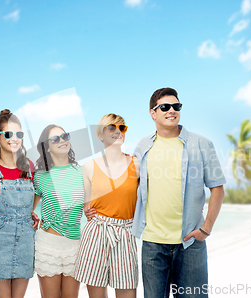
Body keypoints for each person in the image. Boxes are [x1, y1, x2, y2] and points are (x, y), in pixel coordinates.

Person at [132, 87, 226, 298]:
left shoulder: (202, 144)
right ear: (153, 113)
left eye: (176, 106)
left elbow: (217, 189)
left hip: (191, 242)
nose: (171, 110)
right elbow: (131, 186)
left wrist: (206, 228)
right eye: (165, 107)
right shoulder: (142, 147)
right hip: (153, 244)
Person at [74, 114, 140, 298]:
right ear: (100, 135)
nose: (118, 131)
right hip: (96, 234)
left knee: (128, 292)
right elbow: (87, 206)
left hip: (125, 234)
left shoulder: (137, 164)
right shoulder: (89, 167)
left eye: (122, 128)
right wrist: (87, 211)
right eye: (111, 127)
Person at [0, 109, 39, 298]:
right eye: (8, 134)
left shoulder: (30, 167)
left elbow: (40, 192)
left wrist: (30, 211)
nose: (14, 138)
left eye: (19, 134)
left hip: (25, 237)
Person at [32, 125, 84, 298]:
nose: (62, 141)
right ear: (47, 146)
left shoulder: (83, 172)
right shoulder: (39, 176)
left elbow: (92, 206)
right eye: (55, 139)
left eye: (64, 136)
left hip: (75, 247)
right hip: (48, 246)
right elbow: (28, 209)